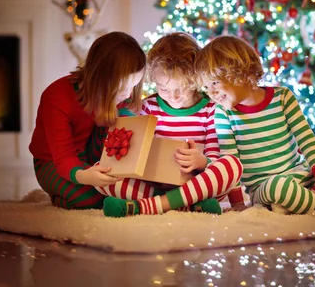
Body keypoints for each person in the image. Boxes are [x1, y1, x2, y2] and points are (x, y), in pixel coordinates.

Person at [194, 35, 315, 214]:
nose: (212, 93)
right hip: (267, 188)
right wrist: (238, 203)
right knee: (279, 187)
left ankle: (308, 198)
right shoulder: (223, 113)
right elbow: (230, 162)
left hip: (305, 176)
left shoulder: (283, 97)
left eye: (215, 83)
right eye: (206, 88)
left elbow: (307, 140)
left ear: (242, 73)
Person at [101, 32, 244, 217]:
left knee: (231, 165)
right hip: (155, 185)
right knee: (103, 172)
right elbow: (131, 153)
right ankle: (181, 205)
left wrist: (201, 162)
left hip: (197, 187)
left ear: (195, 81)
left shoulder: (211, 109)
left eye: (181, 89)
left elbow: (214, 159)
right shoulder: (147, 107)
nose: (173, 96)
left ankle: (146, 206)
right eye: (163, 89)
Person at [29, 31, 145, 210]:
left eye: (133, 85)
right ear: (101, 78)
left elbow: (125, 142)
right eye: (122, 87)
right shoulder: (57, 97)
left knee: (125, 191)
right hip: (52, 162)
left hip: (91, 156)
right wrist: (86, 177)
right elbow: (64, 158)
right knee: (92, 200)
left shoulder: (122, 99)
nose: (128, 94)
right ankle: (60, 198)